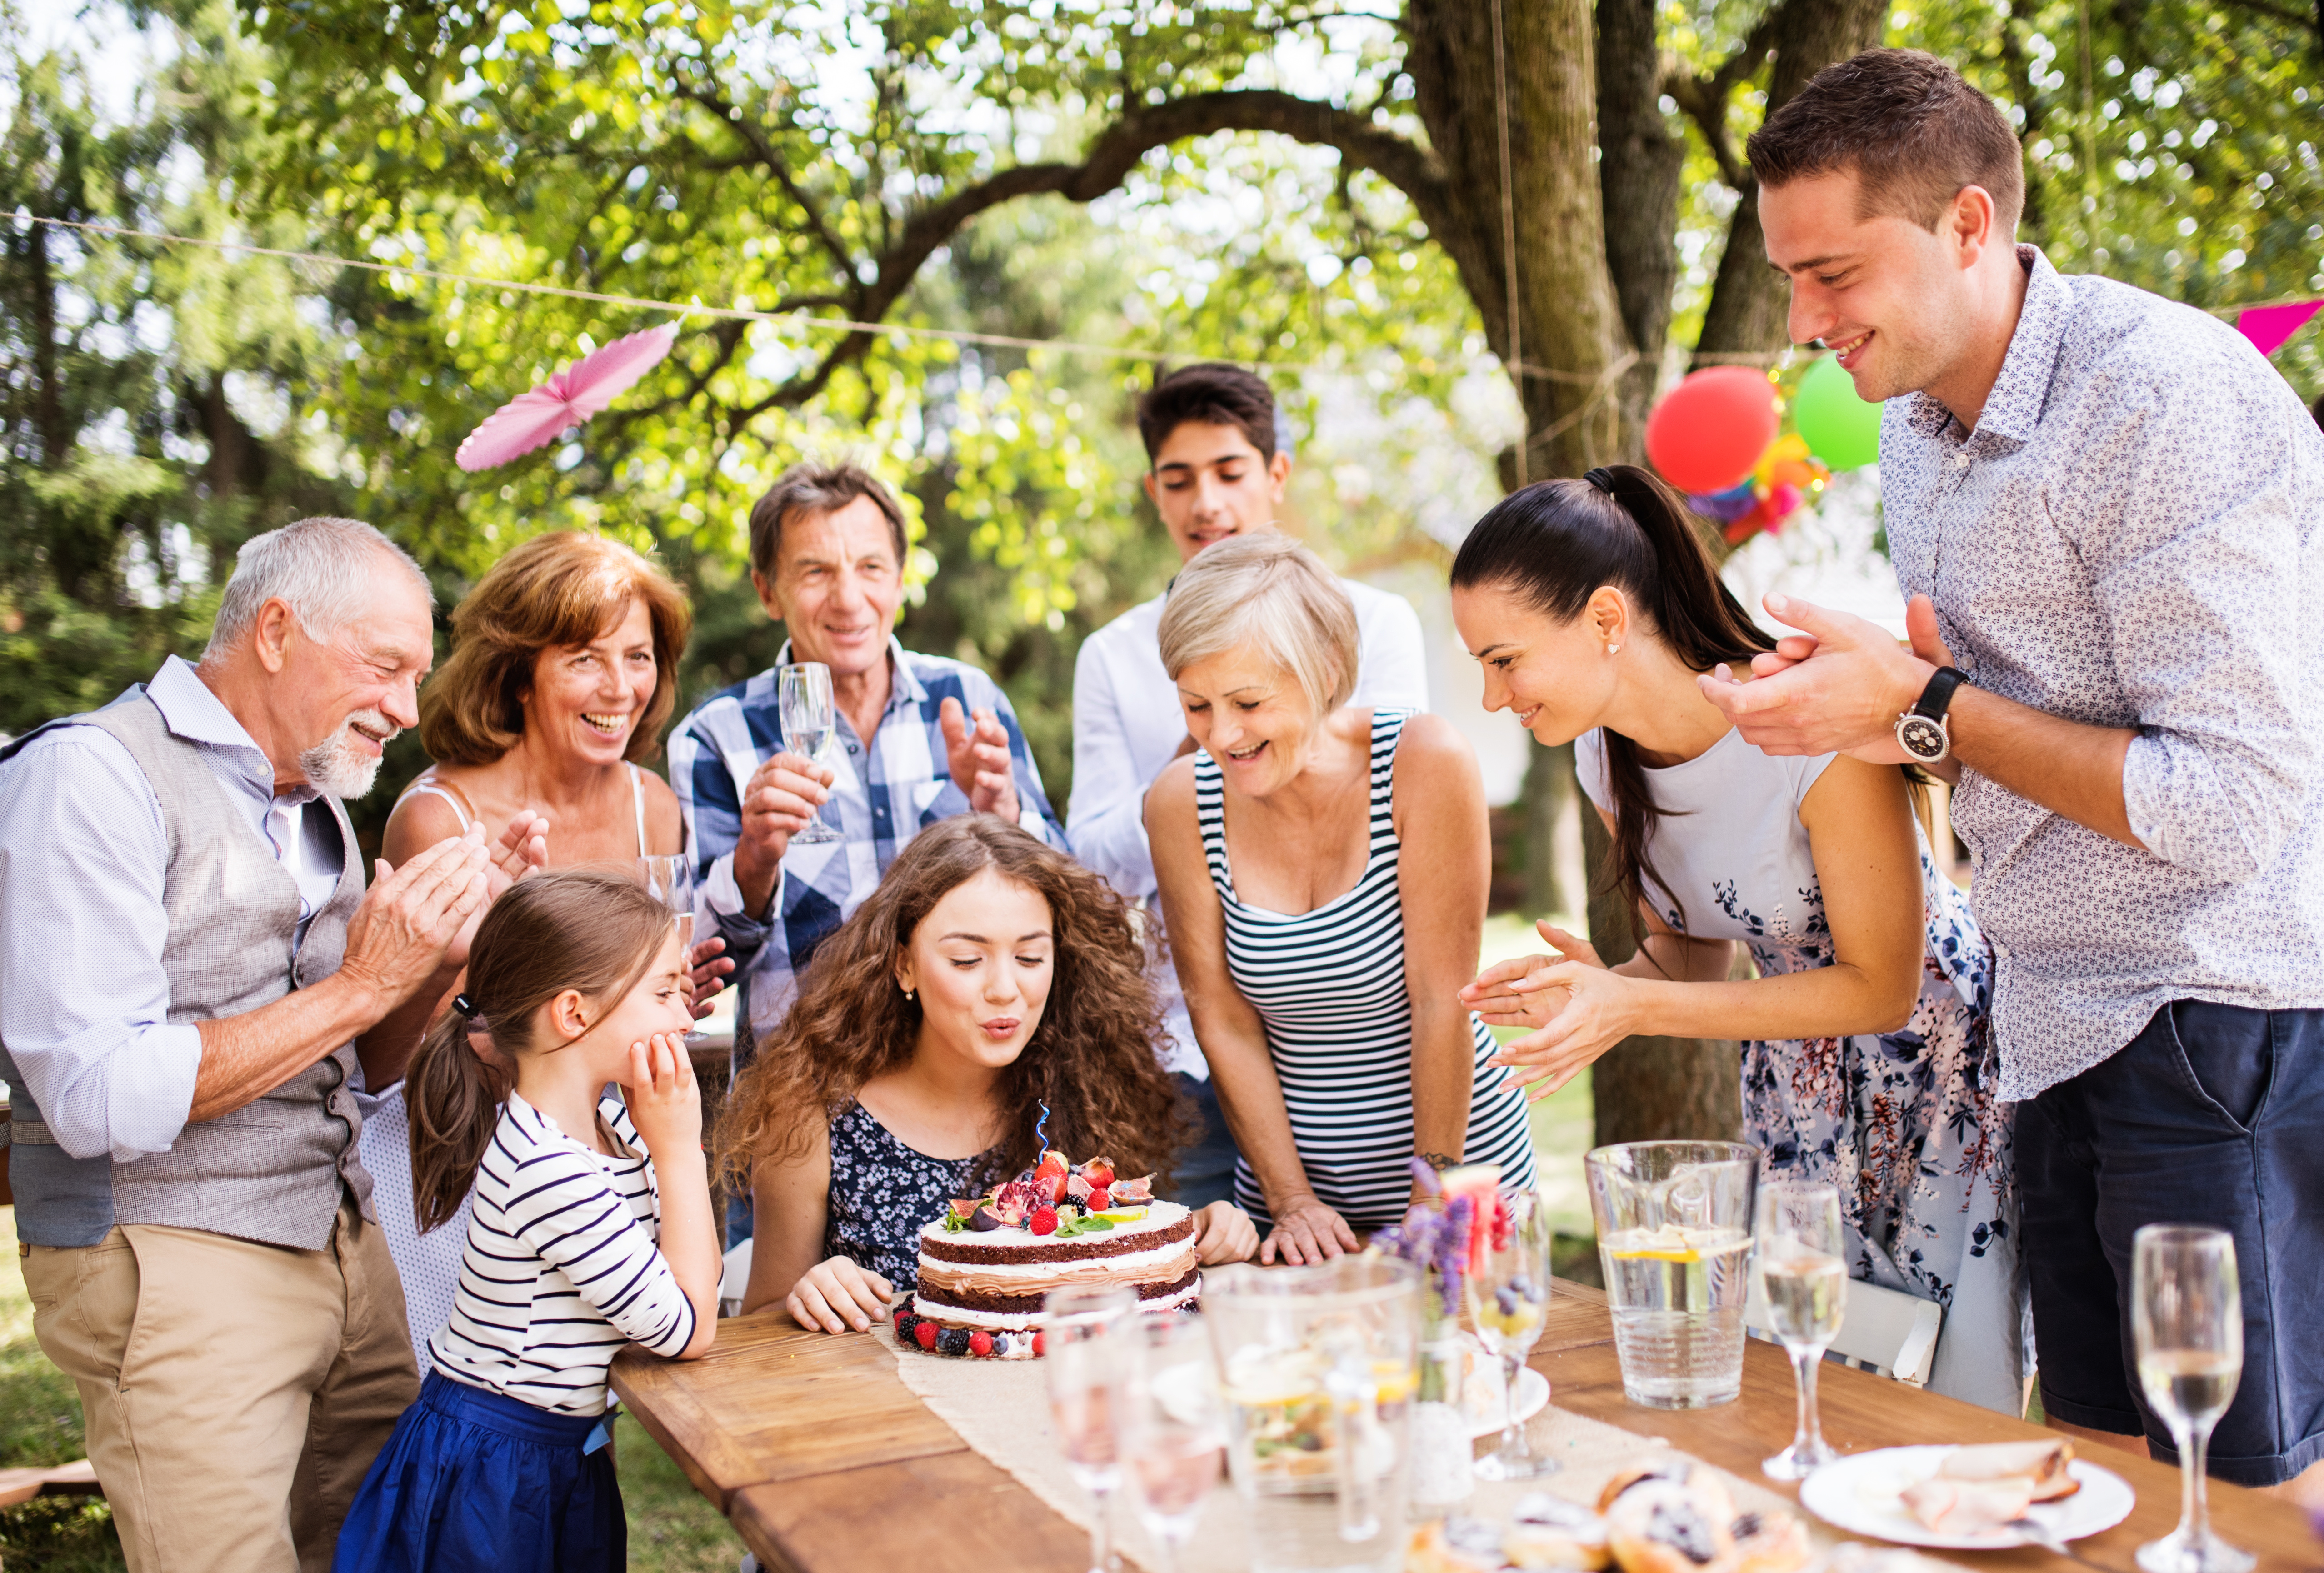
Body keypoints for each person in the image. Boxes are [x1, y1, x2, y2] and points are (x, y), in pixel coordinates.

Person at [1699, 47, 2324, 1491]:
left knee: (2238, 1487)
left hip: (2210, 1006)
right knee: (2094, 1464)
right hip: (2052, 1017)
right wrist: (1852, 712)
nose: (1802, 322)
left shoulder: (2165, 398)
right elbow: (1975, 727)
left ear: (1969, 227)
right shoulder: (1918, 436)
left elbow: (2224, 806)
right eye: (1791, 280)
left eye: (1835, 274)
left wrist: (1919, 700)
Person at [0, 515, 540, 1572]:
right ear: (279, 630)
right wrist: (359, 984)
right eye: (384, 666)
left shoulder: (312, 806)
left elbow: (365, 1063)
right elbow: (95, 1092)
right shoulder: (89, 776)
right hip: (169, 1256)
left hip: (343, 1249)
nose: (404, 707)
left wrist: (445, 956)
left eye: (414, 676)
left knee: (396, 1546)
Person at [1448, 466, 2018, 1411]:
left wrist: (1639, 1001)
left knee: (1942, 1404)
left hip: (1940, 1076)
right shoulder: (1603, 751)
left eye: (1504, 659)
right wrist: (1605, 985)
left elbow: (1881, 985)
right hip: (1795, 1089)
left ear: (1602, 621)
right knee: (1799, 1382)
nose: (1492, 696)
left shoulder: (1802, 719)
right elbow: (1691, 953)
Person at [668, 461, 1066, 1239]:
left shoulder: (970, 699)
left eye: (870, 567)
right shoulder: (717, 735)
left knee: (984, 1313)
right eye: (814, 571)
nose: (848, 598)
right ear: (766, 589)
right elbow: (695, 961)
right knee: (801, 1333)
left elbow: (1061, 900)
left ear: (901, 577)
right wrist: (753, 859)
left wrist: (1005, 814)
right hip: (802, 1114)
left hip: (972, 1115)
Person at [1070, 364, 1432, 1209]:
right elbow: (1097, 868)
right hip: (1189, 1052)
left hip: (1360, 1042)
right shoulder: (1114, 657)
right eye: (1178, 480)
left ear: (1275, 476)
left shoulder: (1373, 625)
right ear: (1154, 495)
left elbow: (1363, 804)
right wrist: (1197, 741)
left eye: (1230, 473)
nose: (1206, 502)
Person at [364, 530, 725, 1367]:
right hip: (454, 1159)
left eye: (638, 657)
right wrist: (463, 963)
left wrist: (662, 999)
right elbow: (382, 1064)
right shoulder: (438, 819)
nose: (620, 687)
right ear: (518, 669)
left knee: (577, 1401)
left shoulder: (652, 808)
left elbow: (612, 1007)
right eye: (584, 659)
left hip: (597, 1144)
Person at [1145, 534, 1535, 1263]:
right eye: (1196, 705)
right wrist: (1290, 1198)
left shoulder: (1424, 763)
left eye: (1248, 701)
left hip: (1456, 1169)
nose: (1221, 735)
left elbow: (1439, 997)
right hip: (1295, 1201)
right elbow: (1221, 1018)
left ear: (1325, 671)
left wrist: (1433, 1196)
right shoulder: (1178, 805)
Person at [716, 816, 1259, 1329]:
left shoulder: (1084, 1087)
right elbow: (763, 1323)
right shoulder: (813, 1115)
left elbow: (1118, 1267)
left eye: (1029, 958)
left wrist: (1203, 1233)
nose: (1005, 988)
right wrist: (809, 1291)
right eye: (966, 961)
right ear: (902, 963)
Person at [334, 869, 718, 1572]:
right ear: (573, 1013)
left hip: (554, 1452)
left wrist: (660, 1145)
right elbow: (685, 1327)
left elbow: (676, 1271)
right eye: (663, 993)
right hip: (499, 1474)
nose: (684, 1020)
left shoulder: (605, 1128)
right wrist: (681, 1149)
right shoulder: (550, 1170)